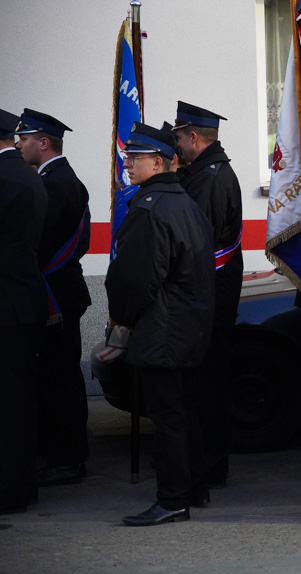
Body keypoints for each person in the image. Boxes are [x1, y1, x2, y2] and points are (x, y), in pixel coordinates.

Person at [106, 122, 215, 526]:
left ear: (157, 162)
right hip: (187, 329)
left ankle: (172, 499)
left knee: (169, 419)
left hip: (163, 332)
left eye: (134, 158)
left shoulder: (150, 209)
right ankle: (193, 487)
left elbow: (134, 280)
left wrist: (124, 317)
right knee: (185, 413)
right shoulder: (184, 203)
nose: (127, 164)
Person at [16, 108, 91, 487]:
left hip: (54, 296)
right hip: (64, 288)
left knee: (58, 378)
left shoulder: (53, 183)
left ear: (43, 142)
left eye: (25, 138)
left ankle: (66, 459)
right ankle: (70, 452)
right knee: (62, 375)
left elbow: (38, 243)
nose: (18, 144)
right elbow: (83, 241)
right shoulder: (66, 178)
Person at [173, 101, 243, 489]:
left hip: (208, 299)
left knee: (207, 386)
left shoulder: (209, 178)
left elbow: (195, 241)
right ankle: (204, 461)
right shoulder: (203, 172)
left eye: (179, 137)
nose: (177, 145)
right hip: (209, 297)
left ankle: (210, 465)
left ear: (195, 137)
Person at [0, 108, 48, 515]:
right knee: (20, 397)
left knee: (8, 402)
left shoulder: (4, 178)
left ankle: (10, 489)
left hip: (6, 306)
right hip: (23, 299)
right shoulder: (28, 175)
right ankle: (23, 484)